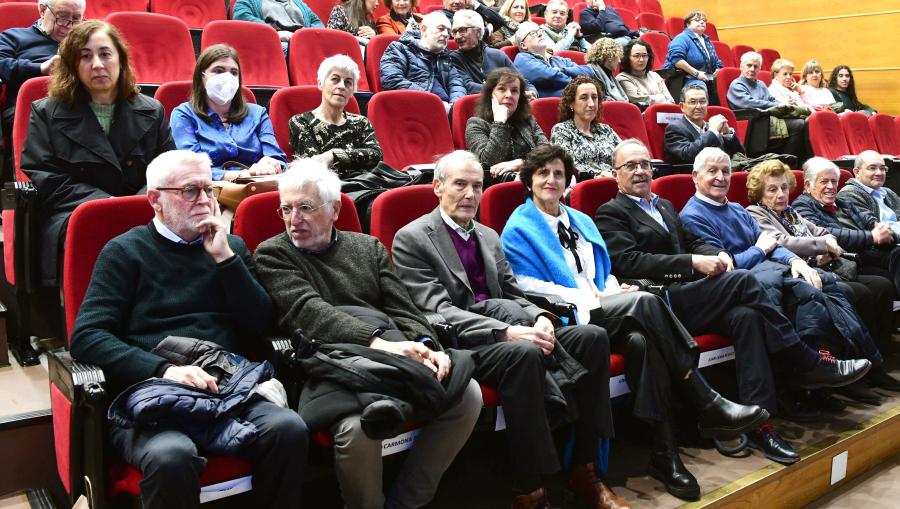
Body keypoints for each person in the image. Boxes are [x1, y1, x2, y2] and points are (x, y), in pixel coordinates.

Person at [501, 144, 771, 499]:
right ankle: (702, 396)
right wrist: (596, 298)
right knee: (645, 303)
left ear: (568, 181)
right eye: (543, 174)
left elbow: (602, 271)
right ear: (529, 181)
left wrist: (614, 288)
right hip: (566, 317)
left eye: (558, 174)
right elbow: (526, 286)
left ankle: (666, 451)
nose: (551, 180)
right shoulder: (518, 227)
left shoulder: (578, 220)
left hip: (605, 307)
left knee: (642, 341)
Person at [595, 139, 872, 466]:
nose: (641, 171)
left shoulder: (665, 206)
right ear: (616, 174)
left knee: (747, 317)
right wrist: (692, 262)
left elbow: (696, 241)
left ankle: (761, 423)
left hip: (692, 293)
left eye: (645, 164)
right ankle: (804, 359)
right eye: (631, 166)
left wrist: (717, 257)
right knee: (744, 281)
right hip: (658, 301)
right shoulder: (610, 211)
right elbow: (629, 261)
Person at [69, 150, 308, 509]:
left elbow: (263, 325)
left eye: (209, 190)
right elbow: (87, 337)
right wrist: (164, 369)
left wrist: (225, 260)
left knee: (289, 430)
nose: (205, 200)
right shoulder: (124, 252)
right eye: (190, 191)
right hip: (153, 393)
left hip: (224, 386)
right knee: (172, 456)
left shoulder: (232, 249)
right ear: (156, 200)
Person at [392, 149, 629, 509]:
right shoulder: (412, 238)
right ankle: (530, 488)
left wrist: (540, 318)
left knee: (591, 337)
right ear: (437, 187)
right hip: (466, 342)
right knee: (524, 353)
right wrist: (506, 333)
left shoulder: (488, 236)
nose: (470, 194)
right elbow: (436, 312)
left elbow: (513, 292)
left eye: (477, 186)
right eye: (460, 185)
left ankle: (585, 467)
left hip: (515, 326)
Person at [253, 160, 482, 509]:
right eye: (286, 208)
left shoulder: (368, 248)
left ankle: (408, 501)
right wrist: (383, 344)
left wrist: (426, 346)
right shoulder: (273, 253)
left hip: (393, 359)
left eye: (305, 208)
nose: (293, 219)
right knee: (357, 429)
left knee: (468, 394)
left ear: (334, 210)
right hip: (333, 368)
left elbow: (403, 308)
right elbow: (309, 314)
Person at [679, 148, 885, 400]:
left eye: (725, 171)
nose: (721, 177)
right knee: (808, 293)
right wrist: (759, 250)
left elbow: (772, 245)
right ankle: (807, 380)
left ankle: (865, 364)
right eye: (712, 171)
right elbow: (728, 266)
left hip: (770, 271)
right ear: (694, 177)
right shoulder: (693, 215)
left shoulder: (737, 209)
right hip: (738, 284)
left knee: (826, 283)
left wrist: (795, 260)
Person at [20, 20, 174, 289]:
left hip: (143, 206)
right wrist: (107, 204)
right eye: (85, 56)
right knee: (97, 230)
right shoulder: (45, 112)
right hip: (76, 212)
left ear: (120, 59)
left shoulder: (153, 110)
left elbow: (167, 169)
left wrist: (133, 206)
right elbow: (45, 176)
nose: (98, 64)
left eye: (105, 54)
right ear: (72, 66)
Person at [745, 160, 900, 401]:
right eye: (772, 189)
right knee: (854, 293)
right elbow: (780, 242)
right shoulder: (754, 213)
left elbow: (819, 231)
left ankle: (871, 365)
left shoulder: (790, 212)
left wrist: (824, 241)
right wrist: (820, 245)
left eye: (784, 188)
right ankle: (846, 369)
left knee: (880, 287)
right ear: (759, 193)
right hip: (794, 275)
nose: (781, 194)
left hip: (823, 268)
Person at [170, 44, 285, 183]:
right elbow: (191, 170)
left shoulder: (258, 113)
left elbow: (278, 159)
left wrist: (271, 163)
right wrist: (244, 175)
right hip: (210, 191)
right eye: (218, 71)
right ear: (202, 76)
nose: (227, 77)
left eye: (234, 72)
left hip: (259, 186)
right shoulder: (184, 114)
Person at [792, 157, 900, 296]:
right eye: (824, 182)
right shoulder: (801, 206)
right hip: (844, 258)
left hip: (866, 251)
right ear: (808, 185)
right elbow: (826, 233)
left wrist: (883, 231)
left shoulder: (842, 202)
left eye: (834, 181)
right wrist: (871, 236)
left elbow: (868, 219)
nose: (831, 186)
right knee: (884, 283)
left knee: (897, 253)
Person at [288, 55, 382, 179]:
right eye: (335, 79)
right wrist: (356, 158)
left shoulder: (361, 122)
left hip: (368, 186)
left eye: (348, 82)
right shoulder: (301, 122)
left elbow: (376, 155)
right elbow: (315, 166)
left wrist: (334, 155)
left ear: (353, 90)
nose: (342, 86)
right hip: (329, 192)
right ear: (320, 84)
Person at [0, 0, 85, 136]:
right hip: (31, 108)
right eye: (62, 17)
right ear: (43, 10)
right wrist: (40, 68)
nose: (69, 26)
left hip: (79, 105)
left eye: (76, 19)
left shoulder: (86, 42)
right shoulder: (13, 37)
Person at [465, 67, 547, 184]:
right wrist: (500, 122)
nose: (509, 95)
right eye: (502, 89)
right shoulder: (476, 124)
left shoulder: (529, 121)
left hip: (532, 182)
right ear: (490, 95)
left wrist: (522, 163)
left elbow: (547, 154)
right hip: (496, 188)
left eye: (514, 91)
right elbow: (489, 163)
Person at [727, 51, 807, 160]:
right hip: (754, 123)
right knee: (798, 124)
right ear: (741, 66)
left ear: (759, 69)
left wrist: (782, 104)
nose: (752, 69)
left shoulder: (761, 84)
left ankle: (797, 161)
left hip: (767, 119)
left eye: (756, 66)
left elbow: (771, 99)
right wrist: (779, 104)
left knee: (804, 121)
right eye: (749, 65)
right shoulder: (737, 85)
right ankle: (789, 162)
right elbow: (749, 103)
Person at [380, 11, 467, 112]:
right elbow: (391, 80)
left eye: (448, 31)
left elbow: (456, 84)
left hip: (446, 110)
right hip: (414, 108)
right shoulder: (399, 48)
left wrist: (454, 107)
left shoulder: (446, 56)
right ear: (423, 29)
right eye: (441, 29)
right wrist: (433, 102)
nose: (446, 34)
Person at [448, 9, 536, 97]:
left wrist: (532, 93)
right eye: (454, 32)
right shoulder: (453, 58)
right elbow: (469, 86)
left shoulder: (497, 55)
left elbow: (523, 82)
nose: (457, 36)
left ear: (478, 32)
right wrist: (503, 91)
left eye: (462, 30)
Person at [550, 76, 621, 177]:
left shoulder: (606, 130)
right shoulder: (562, 130)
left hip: (617, 182)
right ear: (571, 103)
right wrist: (598, 175)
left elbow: (625, 155)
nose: (591, 104)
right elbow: (566, 166)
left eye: (594, 97)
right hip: (586, 186)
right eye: (584, 98)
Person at [664, 84, 744, 165]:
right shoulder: (675, 128)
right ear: (682, 106)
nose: (698, 106)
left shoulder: (712, 127)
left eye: (702, 102)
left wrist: (727, 134)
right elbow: (687, 155)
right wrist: (712, 132)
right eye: (692, 102)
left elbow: (740, 156)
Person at [512, 21, 592, 98]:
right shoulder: (522, 59)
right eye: (533, 33)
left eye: (540, 31)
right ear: (523, 45)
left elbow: (587, 71)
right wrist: (580, 83)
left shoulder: (558, 59)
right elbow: (551, 76)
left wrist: (562, 70)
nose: (540, 34)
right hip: (551, 106)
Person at [837, 151, 900, 240]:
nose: (879, 173)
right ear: (857, 172)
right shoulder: (848, 194)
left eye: (882, 169)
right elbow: (876, 232)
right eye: (872, 168)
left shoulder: (887, 192)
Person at [663, 10, 722, 104]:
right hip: (683, 79)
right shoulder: (681, 38)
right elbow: (677, 61)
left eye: (704, 20)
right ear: (687, 24)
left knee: (723, 87)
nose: (702, 22)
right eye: (697, 20)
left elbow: (717, 61)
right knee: (700, 89)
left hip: (706, 78)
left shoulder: (706, 40)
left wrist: (718, 70)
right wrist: (697, 74)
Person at [232, 0, 324, 54]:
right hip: (276, 43)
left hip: (304, 42)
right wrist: (275, 34)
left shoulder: (298, 2)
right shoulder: (249, 1)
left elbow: (317, 22)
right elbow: (241, 16)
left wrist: (305, 35)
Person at [615, 39, 674, 108]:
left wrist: (651, 100)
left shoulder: (655, 75)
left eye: (644, 55)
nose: (641, 60)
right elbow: (640, 102)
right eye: (636, 56)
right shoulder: (622, 78)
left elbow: (671, 101)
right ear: (627, 58)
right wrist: (661, 97)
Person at [584, 37, 629, 102]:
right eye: (617, 57)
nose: (619, 61)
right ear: (609, 56)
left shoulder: (609, 75)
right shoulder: (591, 73)